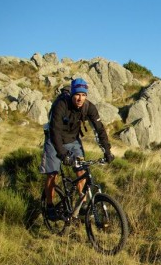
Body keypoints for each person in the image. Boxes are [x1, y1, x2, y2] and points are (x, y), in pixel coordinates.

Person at [39, 78, 115, 220]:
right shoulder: (61, 105)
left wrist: (107, 150)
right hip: (54, 140)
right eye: (77, 95)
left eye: (83, 95)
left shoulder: (89, 107)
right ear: (72, 94)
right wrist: (62, 155)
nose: (80, 98)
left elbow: (100, 130)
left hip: (73, 140)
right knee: (52, 174)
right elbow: (54, 131)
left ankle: (83, 206)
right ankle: (49, 206)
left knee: (82, 171)